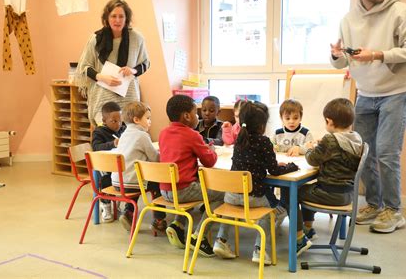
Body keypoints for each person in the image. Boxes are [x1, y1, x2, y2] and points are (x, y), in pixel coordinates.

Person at [330, 0, 406, 233]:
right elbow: (341, 61)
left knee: (388, 153)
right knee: (364, 153)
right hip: (366, 93)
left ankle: (393, 210)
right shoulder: (348, 19)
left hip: (396, 91)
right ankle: (375, 204)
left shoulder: (403, 11)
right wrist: (336, 56)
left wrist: (377, 54)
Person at [212, 101, 301, 265]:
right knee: (268, 212)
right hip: (254, 198)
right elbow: (273, 170)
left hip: (231, 196)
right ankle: (260, 251)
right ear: (262, 125)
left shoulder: (239, 140)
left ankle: (221, 240)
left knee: (230, 207)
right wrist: (290, 167)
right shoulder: (264, 142)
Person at [159, 94, 224, 257]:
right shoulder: (192, 135)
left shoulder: (163, 133)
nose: (199, 116)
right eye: (196, 112)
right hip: (182, 191)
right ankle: (199, 236)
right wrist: (212, 150)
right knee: (223, 195)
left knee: (194, 184)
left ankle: (178, 225)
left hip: (165, 190)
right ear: (187, 116)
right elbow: (210, 162)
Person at [74, 0, 150, 125]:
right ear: (107, 18)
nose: (118, 20)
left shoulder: (137, 38)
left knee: (129, 138)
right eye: (113, 16)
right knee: (106, 140)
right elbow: (84, 67)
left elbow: (146, 63)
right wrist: (101, 77)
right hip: (103, 100)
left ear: (127, 18)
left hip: (129, 99)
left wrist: (133, 70)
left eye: (121, 16)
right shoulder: (95, 39)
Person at [298, 98, 363, 240]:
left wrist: (309, 148)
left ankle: (304, 231)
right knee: (308, 188)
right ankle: (308, 228)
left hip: (330, 194)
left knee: (296, 191)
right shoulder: (357, 138)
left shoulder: (330, 140)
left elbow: (312, 160)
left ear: (329, 121)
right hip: (348, 194)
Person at [111, 101, 167, 235]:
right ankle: (159, 220)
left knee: (136, 180)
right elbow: (155, 158)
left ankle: (128, 212)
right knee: (159, 183)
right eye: (147, 118)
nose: (150, 122)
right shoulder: (142, 136)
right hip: (131, 183)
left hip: (117, 182)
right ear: (136, 120)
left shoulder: (124, 135)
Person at [269, 99, 314, 227]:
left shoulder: (305, 133)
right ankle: (282, 209)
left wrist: (300, 149)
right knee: (285, 190)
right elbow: (272, 145)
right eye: (287, 118)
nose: (291, 121)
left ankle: (306, 225)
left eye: (295, 118)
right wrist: (273, 147)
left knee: (301, 194)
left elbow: (312, 147)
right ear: (281, 118)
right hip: (284, 169)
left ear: (301, 117)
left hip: (302, 171)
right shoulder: (278, 133)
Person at [91, 101, 126, 223]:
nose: (118, 124)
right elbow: (96, 148)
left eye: (120, 120)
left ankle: (122, 206)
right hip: (103, 167)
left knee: (128, 175)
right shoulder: (98, 132)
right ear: (104, 120)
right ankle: (106, 206)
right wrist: (112, 143)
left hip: (119, 165)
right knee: (107, 179)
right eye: (114, 121)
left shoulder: (123, 128)